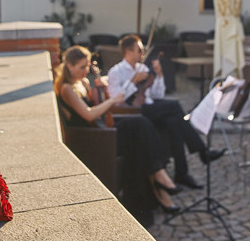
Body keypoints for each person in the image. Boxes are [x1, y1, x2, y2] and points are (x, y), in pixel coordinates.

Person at [54, 45, 182, 219]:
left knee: (141, 129)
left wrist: (102, 85)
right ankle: (159, 179)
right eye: (81, 67)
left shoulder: (81, 83)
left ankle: (157, 184)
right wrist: (113, 99)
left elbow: (95, 105)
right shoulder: (67, 88)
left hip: (99, 130)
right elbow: (89, 114)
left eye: (87, 66)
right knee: (139, 126)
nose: (86, 71)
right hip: (94, 139)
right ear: (68, 66)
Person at [106, 34, 224, 190]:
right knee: (174, 106)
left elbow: (157, 95)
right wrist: (133, 81)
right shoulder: (116, 72)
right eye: (139, 50)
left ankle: (182, 173)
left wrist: (159, 74)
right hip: (133, 112)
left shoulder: (142, 68)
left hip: (148, 106)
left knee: (174, 122)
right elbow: (116, 98)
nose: (143, 53)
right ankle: (202, 151)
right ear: (128, 52)